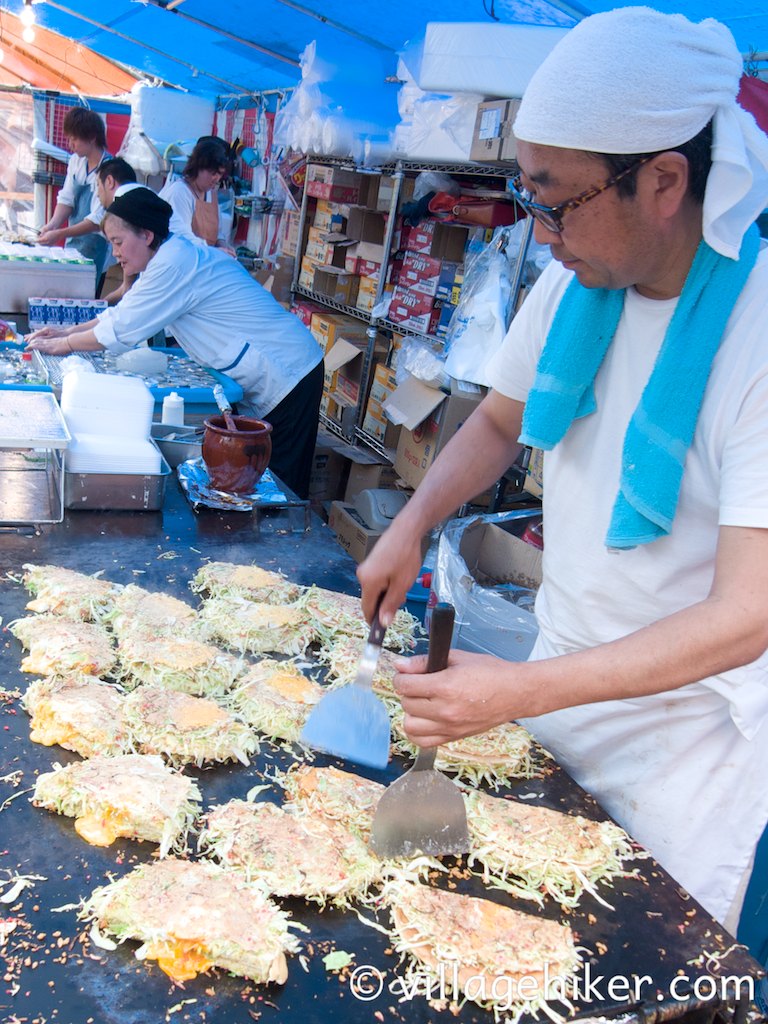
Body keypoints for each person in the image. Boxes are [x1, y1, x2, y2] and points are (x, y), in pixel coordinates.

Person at [358, 6, 768, 950]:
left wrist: (518, 693)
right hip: (557, 688)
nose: (540, 233)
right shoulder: (576, 284)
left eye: (557, 201)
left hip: (683, 752)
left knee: (622, 968)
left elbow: (747, 616)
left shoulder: (753, 339)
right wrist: (413, 519)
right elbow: (500, 422)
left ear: (665, 181)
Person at [27, 188, 323, 498]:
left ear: (147, 235)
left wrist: (67, 344)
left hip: (290, 371)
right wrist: (65, 333)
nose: (115, 253)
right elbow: (121, 315)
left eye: (118, 242)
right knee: (258, 475)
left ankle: (289, 541)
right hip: (269, 372)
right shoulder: (166, 261)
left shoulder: (175, 264)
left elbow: (123, 328)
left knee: (281, 482)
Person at [37, 107, 111, 277]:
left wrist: (59, 234)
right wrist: (52, 225)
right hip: (73, 241)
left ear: (92, 137)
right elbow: (67, 198)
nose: (70, 145)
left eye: (74, 139)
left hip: (95, 244)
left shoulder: (109, 169)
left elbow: (96, 221)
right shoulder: (76, 162)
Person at [159, 136, 235, 255]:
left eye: (219, 174)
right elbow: (180, 237)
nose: (216, 178)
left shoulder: (211, 194)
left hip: (205, 259)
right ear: (198, 167)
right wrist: (213, 251)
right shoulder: (180, 192)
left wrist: (222, 244)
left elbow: (218, 231)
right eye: (212, 173)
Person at [95, 158, 139, 305]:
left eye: (97, 185)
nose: (115, 253)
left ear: (109, 181)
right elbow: (127, 288)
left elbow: (128, 289)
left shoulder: (124, 204)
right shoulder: (136, 197)